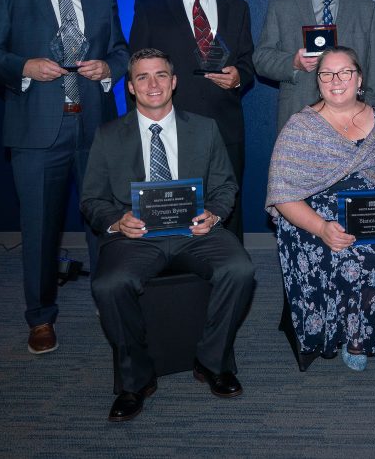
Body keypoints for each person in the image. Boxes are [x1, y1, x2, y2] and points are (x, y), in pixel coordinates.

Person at [0, 0, 128, 355]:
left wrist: (110, 69)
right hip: (37, 131)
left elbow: (120, 50)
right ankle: (40, 317)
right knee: (40, 228)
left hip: (97, 128)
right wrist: (25, 67)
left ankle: (109, 298)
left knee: (107, 224)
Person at [81, 49, 255, 422]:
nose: (153, 84)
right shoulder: (109, 135)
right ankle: (135, 380)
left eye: (161, 75)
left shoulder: (205, 127)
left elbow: (225, 186)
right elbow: (92, 199)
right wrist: (118, 221)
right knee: (109, 284)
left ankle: (212, 362)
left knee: (240, 269)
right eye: (143, 77)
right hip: (135, 237)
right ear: (130, 87)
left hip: (197, 232)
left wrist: (215, 214)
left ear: (174, 82)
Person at [267, 47, 375, 371]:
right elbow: (282, 194)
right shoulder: (300, 127)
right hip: (317, 213)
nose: (336, 80)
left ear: (359, 78)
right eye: (327, 74)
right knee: (349, 254)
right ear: (317, 82)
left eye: (345, 72)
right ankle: (354, 333)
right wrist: (321, 228)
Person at [128, 0, 255, 241]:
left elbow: (248, 63)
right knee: (176, 213)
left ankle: (230, 271)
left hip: (225, 125)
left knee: (228, 207)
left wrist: (239, 76)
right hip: (173, 125)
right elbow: (136, 65)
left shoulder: (236, 6)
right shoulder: (150, 5)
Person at [253, 0, 375, 131]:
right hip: (298, 116)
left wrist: (372, 116)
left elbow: (374, 73)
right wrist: (293, 63)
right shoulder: (281, 7)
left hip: (353, 120)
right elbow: (261, 59)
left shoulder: (366, 9)